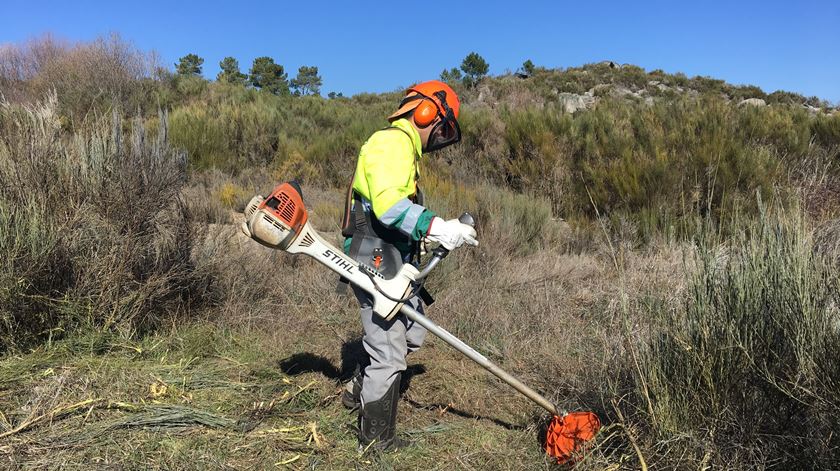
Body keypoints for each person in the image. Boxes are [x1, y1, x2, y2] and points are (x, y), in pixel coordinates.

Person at [339, 80, 478, 451]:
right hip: (372, 253)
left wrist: (432, 235)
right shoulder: (392, 143)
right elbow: (387, 207)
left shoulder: (404, 150)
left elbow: (395, 212)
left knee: (413, 330)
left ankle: (359, 386)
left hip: (391, 254)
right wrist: (437, 225)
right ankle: (376, 441)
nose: (441, 137)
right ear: (427, 112)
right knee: (389, 349)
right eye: (442, 127)